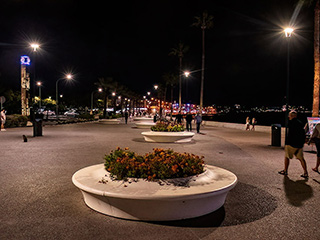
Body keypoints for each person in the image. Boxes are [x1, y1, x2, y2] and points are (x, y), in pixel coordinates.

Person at [278, 111, 308, 178]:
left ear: (292, 116)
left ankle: (285, 171)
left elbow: (290, 134)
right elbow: (303, 133)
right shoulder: (300, 123)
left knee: (287, 157)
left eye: (290, 115)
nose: (289, 117)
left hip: (291, 143)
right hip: (299, 144)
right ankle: (305, 172)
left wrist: (286, 143)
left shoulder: (291, 123)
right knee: (301, 158)